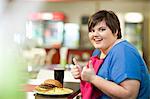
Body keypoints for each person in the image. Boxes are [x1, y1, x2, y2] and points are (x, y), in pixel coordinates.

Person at [71, 10, 150, 99]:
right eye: (92, 30)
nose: (95, 35)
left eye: (102, 29)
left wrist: (93, 78)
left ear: (115, 31)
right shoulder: (99, 51)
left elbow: (129, 95)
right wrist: (83, 73)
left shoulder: (123, 51)